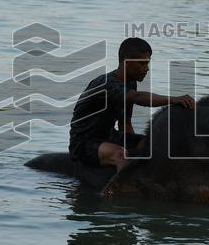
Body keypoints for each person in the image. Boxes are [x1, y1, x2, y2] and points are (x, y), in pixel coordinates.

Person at [69, 38, 194, 171]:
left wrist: (136, 147)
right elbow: (137, 97)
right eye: (142, 64)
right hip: (84, 143)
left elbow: (125, 123)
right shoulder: (107, 84)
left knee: (150, 144)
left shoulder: (130, 83)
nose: (147, 69)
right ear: (126, 62)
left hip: (109, 136)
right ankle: (120, 191)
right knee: (120, 154)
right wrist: (173, 99)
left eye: (147, 63)